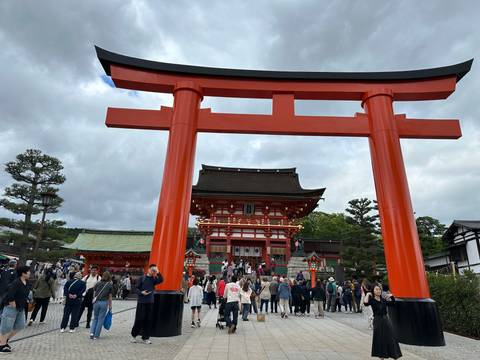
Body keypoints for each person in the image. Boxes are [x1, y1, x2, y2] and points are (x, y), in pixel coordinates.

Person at [364, 285, 402, 359]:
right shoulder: (372, 300)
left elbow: (392, 304)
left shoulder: (383, 300)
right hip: (377, 320)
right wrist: (368, 294)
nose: (378, 291)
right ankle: (382, 357)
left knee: (391, 337)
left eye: (379, 289)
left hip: (386, 320)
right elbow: (365, 303)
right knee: (380, 338)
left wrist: (392, 296)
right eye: (376, 289)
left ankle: (394, 355)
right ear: (373, 291)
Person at [0, 265, 30, 353]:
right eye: (28, 271)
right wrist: (13, 303)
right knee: (6, 327)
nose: (29, 273)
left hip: (21, 307)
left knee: (20, 325)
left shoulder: (26, 282)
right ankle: (2, 345)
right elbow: (10, 294)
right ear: (23, 273)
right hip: (11, 307)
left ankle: (4, 341)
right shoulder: (16, 282)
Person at [131, 264, 163, 344]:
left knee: (148, 320)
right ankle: (134, 335)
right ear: (148, 270)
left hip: (150, 302)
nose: (153, 271)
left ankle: (145, 337)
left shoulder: (154, 279)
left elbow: (161, 280)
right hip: (141, 302)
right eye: (152, 270)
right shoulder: (142, 278)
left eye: (154, 270)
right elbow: (135, 288)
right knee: (139, 319)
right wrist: (141, 293)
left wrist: (158, 272)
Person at [89, 271, 113, 340]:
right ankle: (96, 335)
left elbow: (94, 293)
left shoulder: (98, 283)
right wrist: (110, 305)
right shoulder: (109, 285)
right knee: (100, 319)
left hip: (96, 302)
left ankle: (91, 333)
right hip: (104, 303)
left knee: (95, 318)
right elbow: (110, 297)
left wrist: (94, 300)